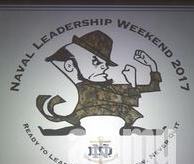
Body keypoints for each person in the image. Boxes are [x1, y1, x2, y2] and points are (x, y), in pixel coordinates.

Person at [36, 30, 164, 136]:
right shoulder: (81, 92)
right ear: (70, 66)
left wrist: (152, 66)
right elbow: (128, 101)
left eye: (105, 64)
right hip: (87, 129)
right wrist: (133, 84)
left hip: (122, 129)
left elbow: (153, 87)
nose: (105, 67)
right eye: (96, 62)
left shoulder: (110, 88)